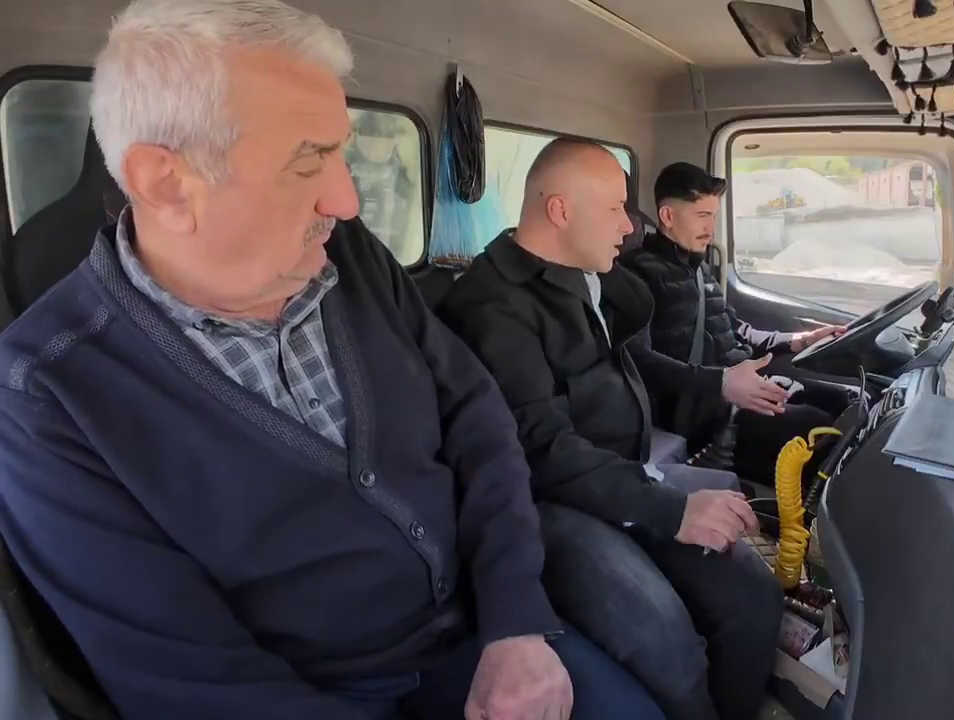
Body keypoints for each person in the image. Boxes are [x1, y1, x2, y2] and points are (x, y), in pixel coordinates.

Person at [0, 2, 664, 719]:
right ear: (166, 183)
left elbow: (479, 418)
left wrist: (515, 620)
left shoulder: (348, 257)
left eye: (342, 152)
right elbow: (193, 682)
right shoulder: (45, 391)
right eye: (309, 159)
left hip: (487, 628)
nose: (347, 201)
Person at [438, 139, 785, 720]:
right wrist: (671, 509)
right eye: (615, 209)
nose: (630, 226)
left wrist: (717, 383)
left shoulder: (585, 274)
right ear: (560, 211)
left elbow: (631, 358)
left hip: (623, 475)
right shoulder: (491, 307)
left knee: (753, 594)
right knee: (666, 642)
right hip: (551, 503)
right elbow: (541, 450)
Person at [619, 162, 853, 485]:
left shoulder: (697, 269)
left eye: (714, 216)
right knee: (820, 428)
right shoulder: (637, 275)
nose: (710, 228)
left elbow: (735, 330)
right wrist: (722, 383)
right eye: (702, 215)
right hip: (702, 412)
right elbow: (636, 363)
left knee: (843, 402)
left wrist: (799, 340)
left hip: (739, 386)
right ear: (668, 216)